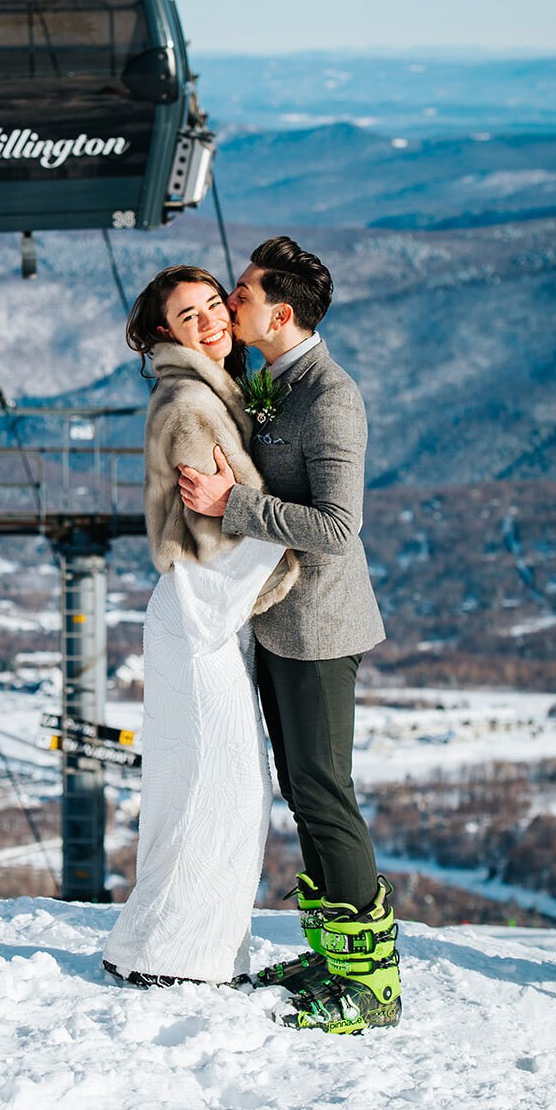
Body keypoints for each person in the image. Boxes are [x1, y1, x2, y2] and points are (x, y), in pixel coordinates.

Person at [178, 237, 402, 1034]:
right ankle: (335, 954)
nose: (229, 302)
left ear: (279, 313)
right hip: (280, 618)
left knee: (324, 793)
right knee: (304, 795)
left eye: (239, 293)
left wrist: (229, 505)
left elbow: (339, 527)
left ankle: (371, 987)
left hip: (319, 626)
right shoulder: (277, 380)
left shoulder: (330, 396)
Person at [102, 266, 298, 987]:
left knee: (209, 787)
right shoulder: (189, 404)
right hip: (200, 611)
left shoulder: (214, 393)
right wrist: (291, 528)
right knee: (222, 791)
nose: (212, 321)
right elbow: (211, 530)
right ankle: (181, 957)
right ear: (165, 333)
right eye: (190, 316)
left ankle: (171, 949)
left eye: (216, 304)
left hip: (205, 616)